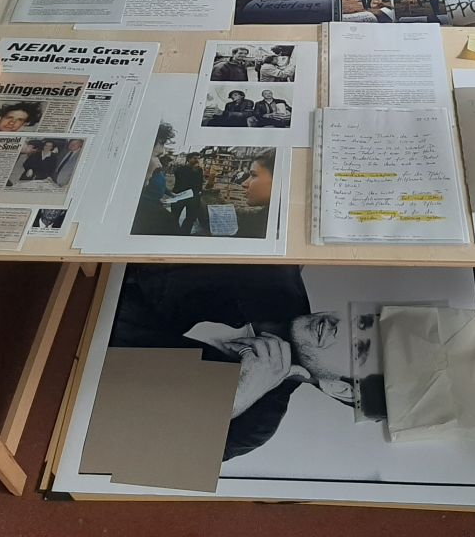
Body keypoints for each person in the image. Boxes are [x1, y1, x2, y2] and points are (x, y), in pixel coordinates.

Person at [108, 257, 356, 460]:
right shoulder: (275, 269)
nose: (342, 324)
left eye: (358, 348)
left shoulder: (254, 426)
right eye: (361, 320)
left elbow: (121, 455)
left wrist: (233, 399)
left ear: (342, 389)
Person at [170, 152, 207, 235]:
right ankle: (174, 232)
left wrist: (200, 192)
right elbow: (183, 181)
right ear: (188, 159)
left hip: (193, 197)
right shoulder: (180, 169)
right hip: (180, 195)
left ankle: (184, 233)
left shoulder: (199, 170)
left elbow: (199, 182)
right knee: (174, 216)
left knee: (191, 217)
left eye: (198, 158)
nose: (197, 160)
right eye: (195, 158)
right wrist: (193, 171)